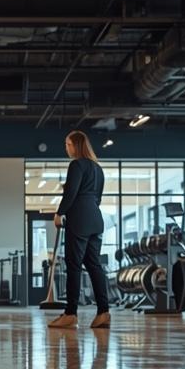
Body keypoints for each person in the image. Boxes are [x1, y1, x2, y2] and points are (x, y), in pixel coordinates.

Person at [50, 130, 111, 330]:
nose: (66, 148)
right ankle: (104, 312)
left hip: (80, 219)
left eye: (68, 144)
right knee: (94, 265)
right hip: (95, 218)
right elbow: (98, 197)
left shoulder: (76, 164)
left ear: (76, 146)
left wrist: (60, 213)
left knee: (74, 265)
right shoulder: (97, 168)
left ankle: (70, 314)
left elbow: (71, 192)